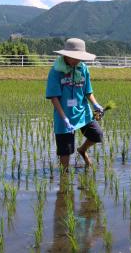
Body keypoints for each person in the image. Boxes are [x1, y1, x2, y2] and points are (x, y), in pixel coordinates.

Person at [45, 38, 104, 170]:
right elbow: (54, 97)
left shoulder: (83, 69)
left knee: (97, 134)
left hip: (83, 112)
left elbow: (88, 91)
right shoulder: (56, 71)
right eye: (75, 57)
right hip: (64, 115)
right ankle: (64, 184)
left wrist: (95, 104)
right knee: (65, 153)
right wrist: (64, 119)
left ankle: (82, 150)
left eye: (80, 58)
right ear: (66, 55)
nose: (78, 60)